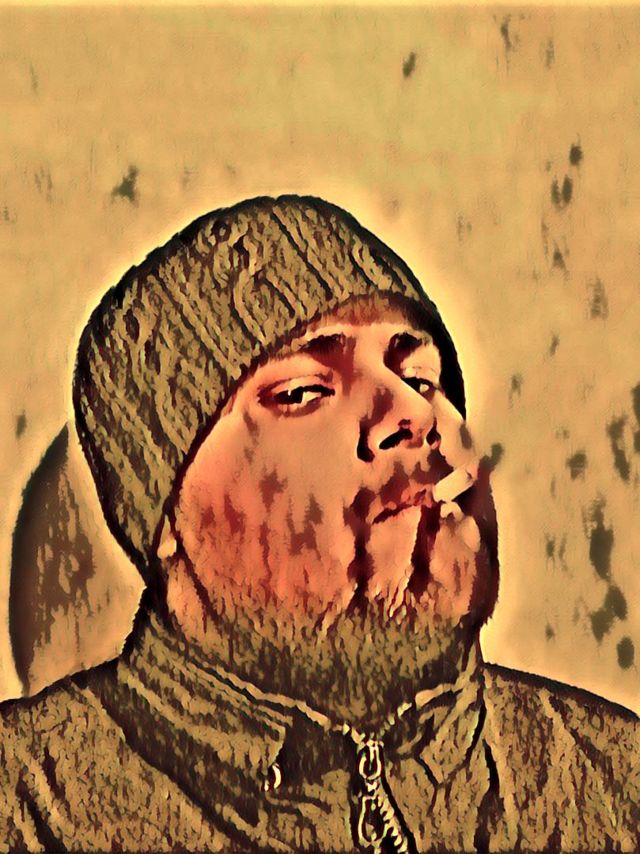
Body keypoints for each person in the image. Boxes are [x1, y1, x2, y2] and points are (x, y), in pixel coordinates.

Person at [1, 196, 637, 853]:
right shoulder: (27, 809)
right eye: (303, 392)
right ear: (167, 518)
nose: (414, 412)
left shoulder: (615, 786)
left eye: (422, 376)